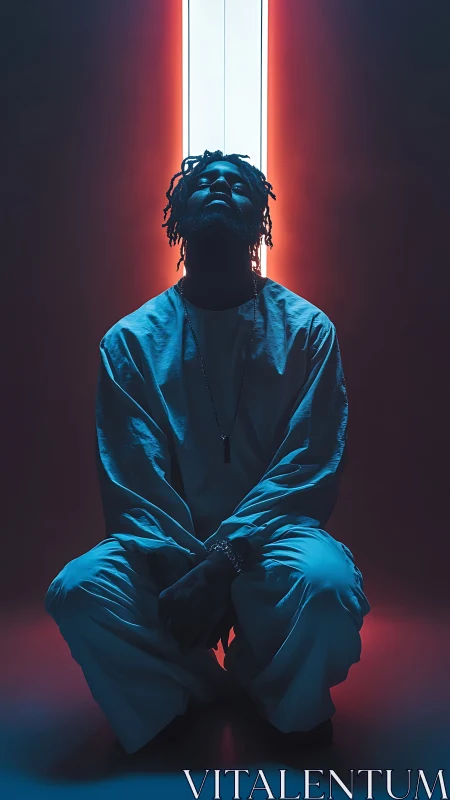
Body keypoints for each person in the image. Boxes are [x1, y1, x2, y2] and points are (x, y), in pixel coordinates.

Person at [45, 149, 371, 755]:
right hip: (166, 553)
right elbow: (133, 478)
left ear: (263, 218)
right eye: (202, 181)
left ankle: (277, 695)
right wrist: (187, 568)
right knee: (79, 590)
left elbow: (308, 465)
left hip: (270, 544)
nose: (219, 184)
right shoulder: (131, 342)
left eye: (238, 182)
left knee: (324, 589)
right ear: (175, 217)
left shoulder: (307, 331)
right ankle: (187, 690)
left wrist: (224, 561)